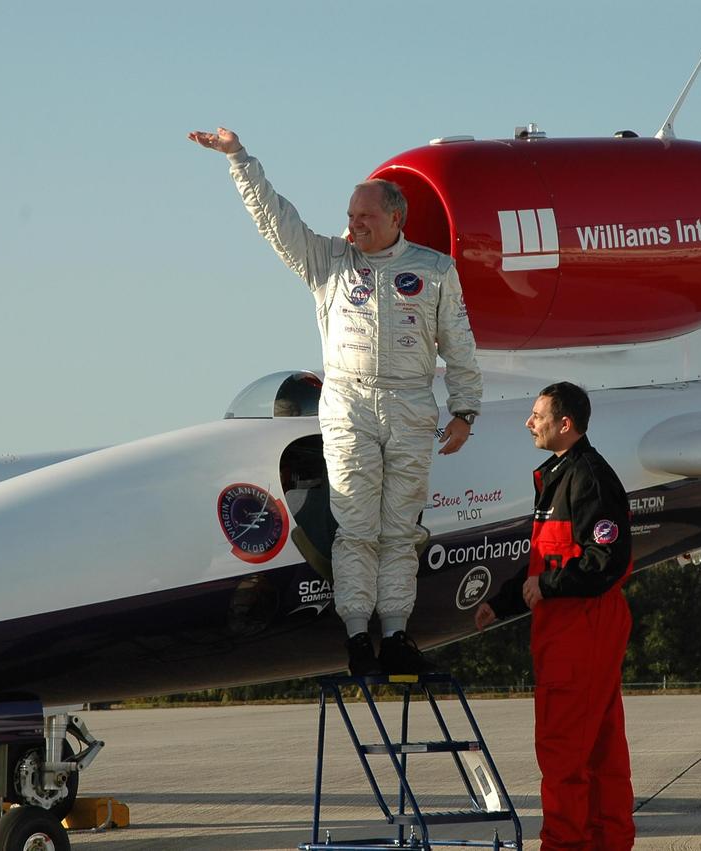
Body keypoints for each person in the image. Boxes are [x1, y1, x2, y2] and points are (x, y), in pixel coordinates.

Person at [189, 127, 483, 676]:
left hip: (412, 406)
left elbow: (460, 346)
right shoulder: (329, 263)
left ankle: (395, 633)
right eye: (351, 215)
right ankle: (356, 637)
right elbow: (277, 222)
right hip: (348, 405)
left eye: (365, 217)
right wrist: (239, 160)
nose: (354, 225)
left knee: (400, 527)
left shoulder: (436, 270)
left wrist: (465, 409)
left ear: (397, 218)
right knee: (354, 526)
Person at [474, 382, 635, 850]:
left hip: (582, 627)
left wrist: (546, 586)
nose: (529, 422)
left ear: (565, 424)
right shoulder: (560, 477)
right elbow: (546, 559)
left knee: (564, 752)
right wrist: (503, 602)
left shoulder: (587, 478)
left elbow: (606, 561)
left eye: (537, 415)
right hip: (572, 627)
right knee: (600, 751)